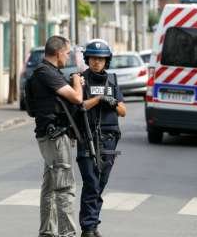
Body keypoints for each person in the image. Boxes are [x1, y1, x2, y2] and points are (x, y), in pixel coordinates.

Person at [29, 35, 83, 237]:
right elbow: (77, 98)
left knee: (50, 187)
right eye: (67, 53)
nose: (68, 57)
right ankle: (67, 234)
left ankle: (47, 232)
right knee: (65, 188)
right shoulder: (47, 73)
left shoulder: (44, 72)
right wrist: (77, 81)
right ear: (59, 52)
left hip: (49, 136)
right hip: (55, 138)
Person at [77, 39, 126, 237]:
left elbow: (123, 111)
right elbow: (79, 106)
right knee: (91, 183)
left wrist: (112, 102)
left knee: (101, 183)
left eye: (101, 59)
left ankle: (93, 224)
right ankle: (88, 228)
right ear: (87, 59)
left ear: (107, 61)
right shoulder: (80, 79)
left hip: (108, 138)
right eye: (93, 58)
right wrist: (97, 99)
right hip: (87, 136)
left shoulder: (112, 81)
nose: (97, 62)